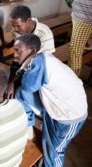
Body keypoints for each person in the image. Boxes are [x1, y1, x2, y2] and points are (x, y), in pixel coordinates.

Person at [14, 34, 87, 167]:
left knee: (55, 153)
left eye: (18, 50)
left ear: (32, 50)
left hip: (70, 116)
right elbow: (25, 88)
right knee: (20, 93)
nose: (14, 54)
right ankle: (29, 131)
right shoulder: (42, 58)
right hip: (58, 106)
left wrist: (21, 73)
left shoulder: (38, 63)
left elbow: (27, 85)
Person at [7, 5, 56, 98]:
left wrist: (13, 82)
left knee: (25, 92)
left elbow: (42, 62)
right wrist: (11, 82)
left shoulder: (44, 34)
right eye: (13, 25)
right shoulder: (15, 30)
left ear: (28, 21)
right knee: (10, 91)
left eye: (18, 26)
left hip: (36, 67)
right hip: (20, 64)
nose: (15, 29)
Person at [67, 0, 92, 76]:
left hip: (84, 14)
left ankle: (72, 82)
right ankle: (86, 42)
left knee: (75, 51)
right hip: (81, 12)